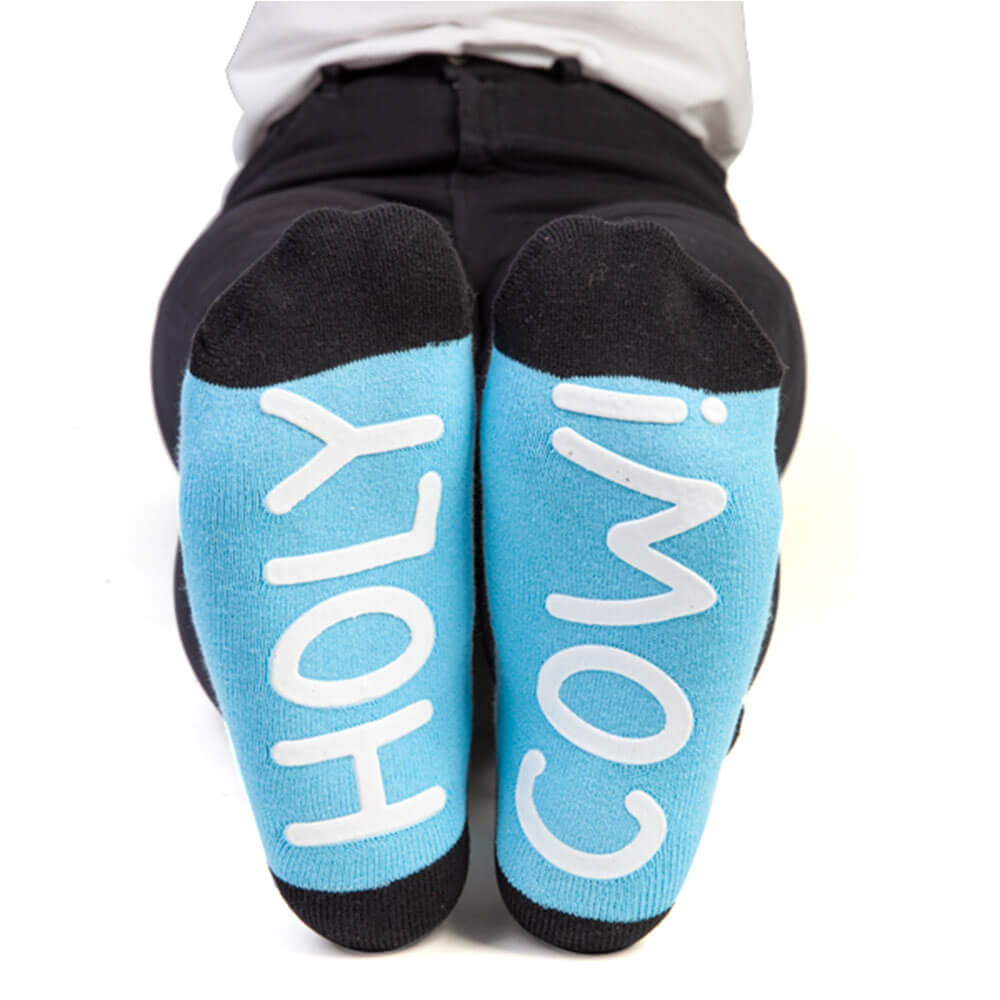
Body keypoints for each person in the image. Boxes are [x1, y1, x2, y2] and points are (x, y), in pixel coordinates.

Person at [152, 2, 805, 955]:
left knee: (296, 363)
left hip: (331, 148)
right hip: (634, 156)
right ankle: (590, 801)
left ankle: (372, 780)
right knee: (655, 363)